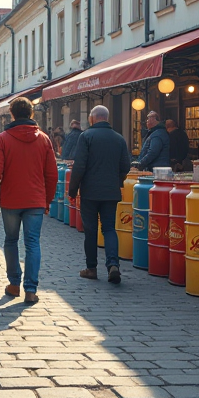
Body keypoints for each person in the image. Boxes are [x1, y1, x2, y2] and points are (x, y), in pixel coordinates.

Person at [0, 99, 58, 304]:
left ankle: (14, 284)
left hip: (11, 200)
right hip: (35, 200)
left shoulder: (3, 139)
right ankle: (31, 290)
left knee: (10, 240)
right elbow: (51, 175)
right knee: (32, 243)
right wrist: (47, 200)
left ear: (12, 114)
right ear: (32, 114)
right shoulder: (44, 139)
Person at [67, 105, 131, 284]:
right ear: (106, 118)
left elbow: (79, 166)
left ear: (92, 118)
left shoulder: (86, 136)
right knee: (109, 228)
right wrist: (116, 181)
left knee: (91, 230)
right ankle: (113, 265)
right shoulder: (119, 139)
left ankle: (91, 268)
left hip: (90, 192)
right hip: (111, 192)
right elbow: (125, 166)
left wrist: (72, 191)